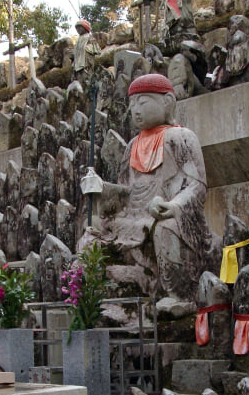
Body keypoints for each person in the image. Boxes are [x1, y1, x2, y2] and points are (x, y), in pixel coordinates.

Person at [79, 73, 213, 302]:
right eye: (132, 104)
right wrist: (100, 188)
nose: (136, 110)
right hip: (134, 216)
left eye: (143, 102)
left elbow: (197, 186)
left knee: (165, 228)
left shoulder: (181, 137)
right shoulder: (133, 144)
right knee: (92, 232)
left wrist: (173, 205)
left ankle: (178, 296)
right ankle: (108, 294)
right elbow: (126, 192)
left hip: (168, 215)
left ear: (167, 101)